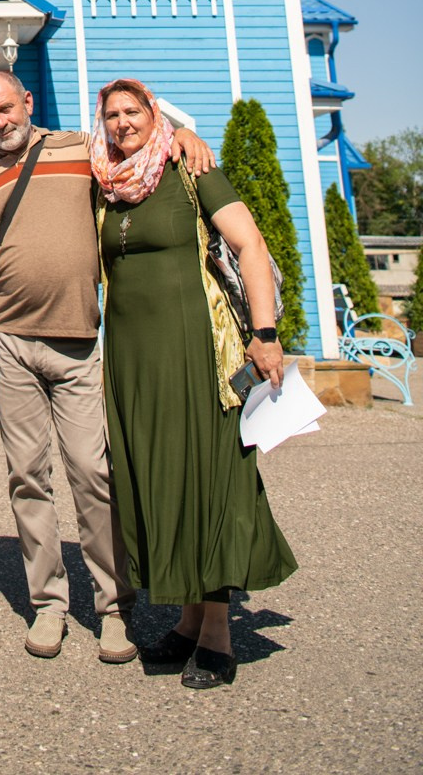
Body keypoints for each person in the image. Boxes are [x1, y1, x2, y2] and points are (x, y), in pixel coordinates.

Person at [0, 69, 215, 663]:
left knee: (93, 475)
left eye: (7, 108)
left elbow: (138, 147)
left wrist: (181, 134)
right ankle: (48, 604)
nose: (0, 121)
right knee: (27, 477)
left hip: (77, 340)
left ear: (27, 101)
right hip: (11, 343)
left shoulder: (79, 148)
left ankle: (113, 607)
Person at [93, 79, 297, 689]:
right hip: (132, 358)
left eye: (133, 111)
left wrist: (266, 334)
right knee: (158, 481)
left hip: (194, 349)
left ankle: (217, 635)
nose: (123, 123)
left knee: (205, 478)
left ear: (153, 113)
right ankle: (186, 622)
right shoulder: (106, 182)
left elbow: (250, 244)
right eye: (112, 114)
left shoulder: (191, 168)